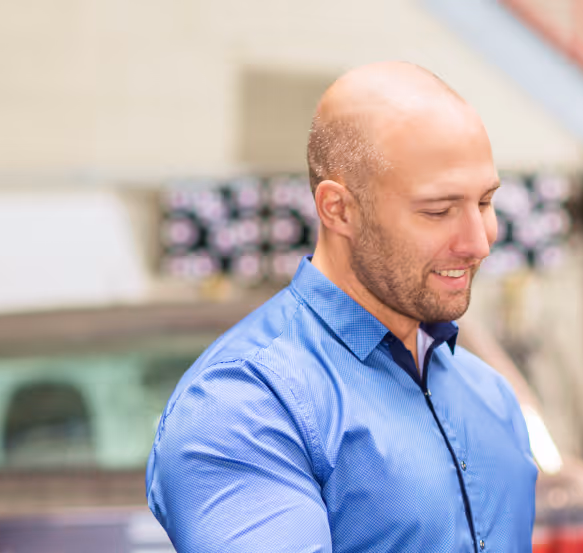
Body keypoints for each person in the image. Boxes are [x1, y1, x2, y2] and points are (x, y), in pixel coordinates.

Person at [145, 62, 537, 552]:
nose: (478, 243)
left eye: (484, 203)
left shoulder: (491, 396)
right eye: (437, 211)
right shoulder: (245, 405)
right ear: (338, 209)